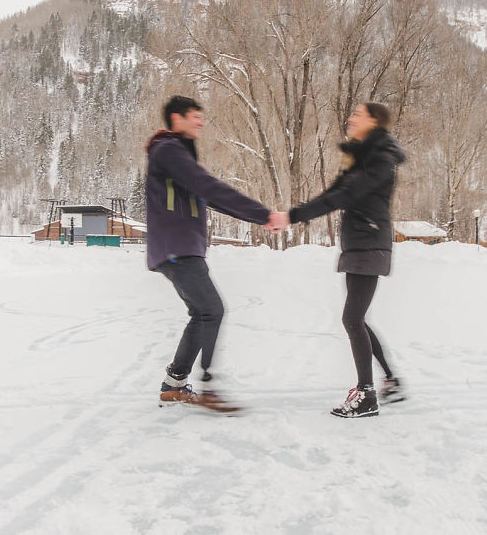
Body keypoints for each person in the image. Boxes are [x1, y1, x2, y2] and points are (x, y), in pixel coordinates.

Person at [270, 102, 406, 418]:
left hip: (370, 244)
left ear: (373, 121)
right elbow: (330, 194)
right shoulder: (361, 158)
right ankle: (389, 379)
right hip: (360, 244)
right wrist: (292, 215)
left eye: (357, 115)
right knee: (355, 318)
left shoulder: (379, 160)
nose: (350, 118)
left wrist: (292, 216)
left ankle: (367, 394)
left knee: (352, 319)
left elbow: (342, 198)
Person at [146, 95, 281, 412]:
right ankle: (208, 386)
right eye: (195, 115)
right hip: (177, 247)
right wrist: (263, 213)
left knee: (202, 313)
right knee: (212, 310)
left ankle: (174, 384)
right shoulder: (169, 151)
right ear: (176, 118)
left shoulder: (178, 156)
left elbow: (210, 197)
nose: (201, 121)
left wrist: (258, 218)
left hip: (179, 248)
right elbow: (210, 187)